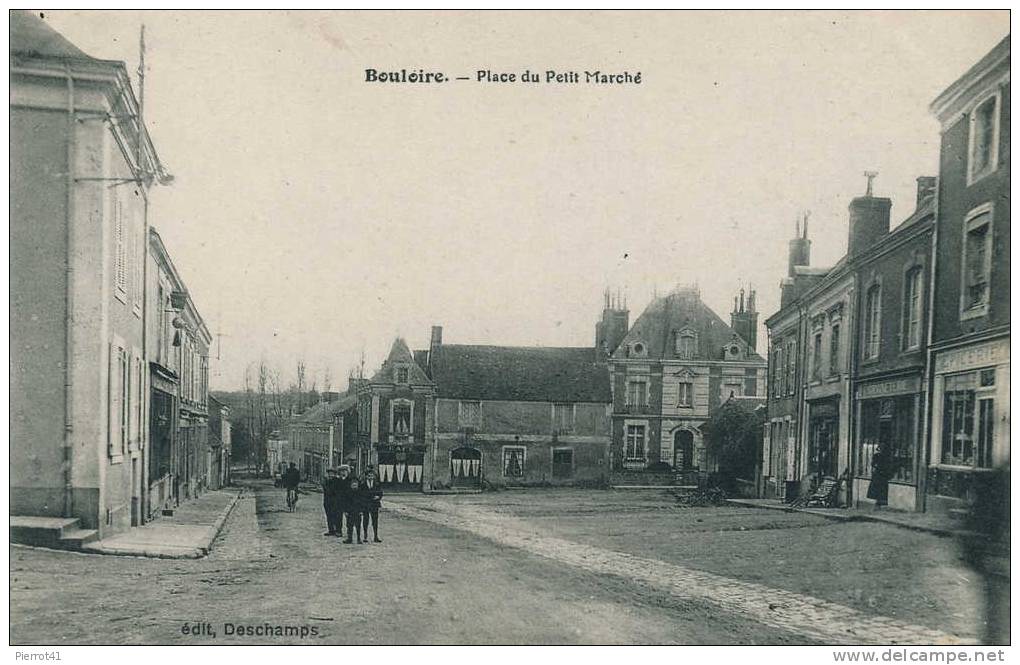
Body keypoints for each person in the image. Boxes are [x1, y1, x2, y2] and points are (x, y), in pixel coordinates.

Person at [360, 466, 383, 543]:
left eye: (372, 475)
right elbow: (361, 494)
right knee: (365, 520)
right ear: (366, 476)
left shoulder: (377, 484)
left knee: (375, 521)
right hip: (366, 504)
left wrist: (378, 497)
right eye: (369, 476)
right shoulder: (363, 484)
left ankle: (376, 536)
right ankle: (365, 535)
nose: (370, 477)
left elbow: (380, 493)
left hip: (374, 504)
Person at [344, 477, 365, 544]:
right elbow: (345, 502)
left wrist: (361, 511)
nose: (354, 486)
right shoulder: (347, 492)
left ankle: (359, 539)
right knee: (349, 526)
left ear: (358, 485)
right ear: (351, 485)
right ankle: (349, 538)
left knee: (358, 526)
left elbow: (362, 502)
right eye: (353, 485)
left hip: (357, 512)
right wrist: (345, 511)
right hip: (350, 512)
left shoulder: (360, 493)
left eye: (355, 485)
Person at [322, 468, 341, 536]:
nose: (331, 475)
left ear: (334, 474)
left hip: (335, 501)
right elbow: (324, 489)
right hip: (327, 501)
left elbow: (334, 491)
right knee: (328, 516)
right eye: (329, 473)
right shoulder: (326, 481)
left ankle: (338, 530)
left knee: (336, 516)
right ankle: (331, 530)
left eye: (332, 474)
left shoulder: (337, 481)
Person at [336, 465, 352, 538]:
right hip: (339, 501)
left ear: (348, 472)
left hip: (348, 501)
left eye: (345, 471)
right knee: (338, 517)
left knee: (348, 517)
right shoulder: (337, 480)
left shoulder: (350, 480)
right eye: (341, 471)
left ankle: (349, 531)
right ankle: (339, 531)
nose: (343, 472)